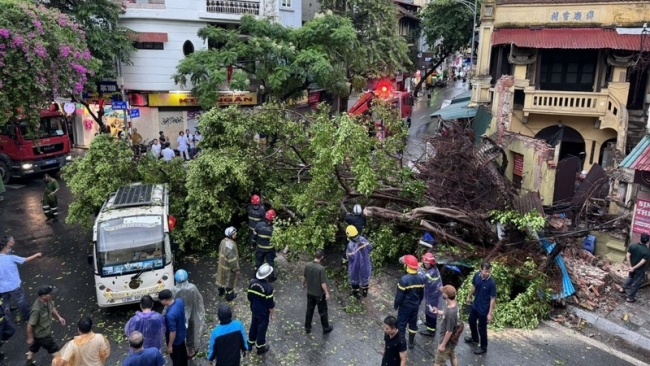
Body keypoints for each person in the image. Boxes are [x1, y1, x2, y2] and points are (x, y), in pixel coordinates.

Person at [0, 235, 42, 323]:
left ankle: (7, 318)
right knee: (21, 300)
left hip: (2, 287)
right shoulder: (11, 258)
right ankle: (26, 316)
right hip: (14, 285)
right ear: (4, 249)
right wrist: (37, 254)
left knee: (5, 302)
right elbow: (25, 260)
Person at [26, 285, 66, 366]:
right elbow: (29, 325)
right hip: (43, 334)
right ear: (43, 296)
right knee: (54, 350)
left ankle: (28, 362)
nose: (52, 295)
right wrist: (30, 338)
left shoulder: (48, 300)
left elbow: (51, 308)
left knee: (34, 348)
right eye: (50, 294)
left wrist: (59, 317)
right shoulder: (37, 310)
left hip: (38, 335)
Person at [172, 269, 205, 359]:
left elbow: (170, 303)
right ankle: (190, 350)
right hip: (191, 315)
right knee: (190, 331)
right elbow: (199, 300)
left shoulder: (174, 290)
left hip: (179, 315)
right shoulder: (192, 288)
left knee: (179, 331)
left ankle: (181, 349)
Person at [464, 262, 496, 355]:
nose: (487, 273)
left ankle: (483, 347)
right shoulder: (476, 276)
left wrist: (490, 313)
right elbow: (474, 286)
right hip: (475, 305)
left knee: (482, 328)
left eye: (488, 271)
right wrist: (469, 296)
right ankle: (475, 338)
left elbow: (492, 299)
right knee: (471, 321)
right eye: (485, 271)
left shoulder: (491, 283)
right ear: (480, 269)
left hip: (484, 310)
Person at [394, 254, 424, 349]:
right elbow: (421, 294)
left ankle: (401, 343)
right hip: (415, 306)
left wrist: (396, 305)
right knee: (412, 324)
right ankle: (411, 343)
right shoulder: (420, 278)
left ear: (407, 266)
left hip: (405, 306)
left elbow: (399, 296)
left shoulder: (404, 280)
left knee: (401, 324)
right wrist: (418, 302)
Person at [247, 264, 275, 355]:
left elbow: (249, 297)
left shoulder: (252, 283)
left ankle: (250, 344)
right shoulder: (268, 288)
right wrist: (272, 314)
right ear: (267, 275)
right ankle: (260, 347)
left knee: (253, 326)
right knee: (262, 329)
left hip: (254, 309)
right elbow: (270, 303)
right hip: (263, 312)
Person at [303, 249, 333, 335]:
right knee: (323, 311)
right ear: (322, 257)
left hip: (310, 293)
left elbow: (304, 276)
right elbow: (323, 283)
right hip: (319, 295)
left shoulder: (307, 265)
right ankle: (326, 328)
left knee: (309, 310)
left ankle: (307, 327)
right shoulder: (321, 269)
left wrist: (303, 284)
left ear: (314, 255)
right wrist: (326, 293)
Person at [158, 289, 188, 366]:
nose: (160, 302)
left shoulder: (170, 315)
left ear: (165, 300)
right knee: (183, 354)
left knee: (176, 359)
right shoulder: (179, 301)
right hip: (182, 333)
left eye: (160, 300)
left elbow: (172, 332)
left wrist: (170, 346)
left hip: (175, 340)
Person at [433, 285, 459, 366]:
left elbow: (449, 331)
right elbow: (446, 312)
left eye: (443, 292)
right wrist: (438, 311)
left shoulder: (451, 313)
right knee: (452, 356)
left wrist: (442, 345)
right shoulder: (454, 304)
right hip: (453, 340)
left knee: (437, 362)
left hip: (446, 340)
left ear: (447, 295)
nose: (442, 293)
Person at [620, 233, 650, 303]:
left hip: (631, 267)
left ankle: (622, 288)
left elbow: (627, 256)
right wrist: (633, 268)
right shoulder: (647, 252)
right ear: (648, 241)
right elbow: (642, 262)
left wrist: (630, 266)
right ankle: (630, 298)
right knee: (636, 284)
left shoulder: (632, 246)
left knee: (630, 278)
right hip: (639, 270)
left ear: (640, 238)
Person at [345, 225, 373, 299]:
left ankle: (355, 294)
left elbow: (349, 257)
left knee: (355, 279)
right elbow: (370, 247)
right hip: (365, 263)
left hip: (355, 266)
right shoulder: (363, 239)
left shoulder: (350, 245)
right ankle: (365, 293)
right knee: (365, 277)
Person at [419, 252, 442, 337]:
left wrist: (417, 269)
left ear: (431, 263)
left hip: (433, 294)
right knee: (428, 309)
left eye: (426, 263)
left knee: (432, 311)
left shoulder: (431, 272)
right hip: (432, 293)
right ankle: (429, 323)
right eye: (424, 263)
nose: (425, 264)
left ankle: (431, 330)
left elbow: (422, 278)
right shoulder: (434, 269)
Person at [217, 227, 241, 302]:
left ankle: (221, 292)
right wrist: (236, 270)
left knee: (221, 279)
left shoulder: (223, 241)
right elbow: (232, 260)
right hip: (228, 268)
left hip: (222, 265)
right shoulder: (230, 246)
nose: (236, 234)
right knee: (229, 283)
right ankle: (229, 296)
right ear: (231, 235)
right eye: (234, 233)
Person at [252, 209, 277, 282]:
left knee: (258, 262)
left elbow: (254, 237)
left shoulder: (258, 225)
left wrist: (252, 245)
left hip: (260, 248)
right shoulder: (274, 228)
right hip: (270, 249)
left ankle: (256, 276)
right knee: (270, 263)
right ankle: (271, 277)